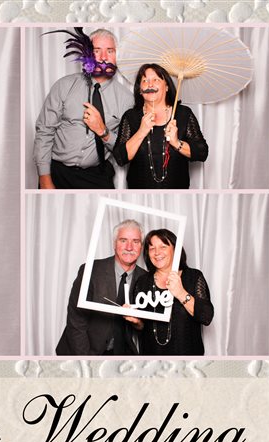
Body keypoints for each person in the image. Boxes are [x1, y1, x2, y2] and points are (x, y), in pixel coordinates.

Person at [34, 28, 133, 189]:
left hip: (97, 175)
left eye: (110, 51)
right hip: (58, 172)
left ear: (117, 56)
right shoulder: (64, 86)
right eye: (97, 51)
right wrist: (45, 178)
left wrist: (103, 131)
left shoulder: (127, 99)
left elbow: (126, 149)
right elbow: (45, 131)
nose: (103, 57)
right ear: (87, 53)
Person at [56, 219, 146, 355]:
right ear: (114, 244)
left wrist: (138, 323)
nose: (129, 247)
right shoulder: (91, 271)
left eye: (135, 241)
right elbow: (76, 321)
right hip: (83, 351)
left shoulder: (145, 278)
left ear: (141, 246)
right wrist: (87, 361)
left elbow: (146, 325)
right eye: (123, 240)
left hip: (121, 354)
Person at [113, 63, 209, 188]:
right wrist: (141, 132)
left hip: (177, 193)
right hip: (139, 193)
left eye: (156, 80)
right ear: (140, 90)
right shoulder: (131, 116)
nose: (150, 85)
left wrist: (176, 143)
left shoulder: (183, 114)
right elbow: (120, 158)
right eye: (145, 81)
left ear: (167, 87)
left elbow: (202, 153)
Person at [126, 229, 214, 355]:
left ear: (175, 250)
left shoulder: (193, 277)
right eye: (152, 248)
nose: (157, 252)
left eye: (163, 246)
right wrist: (136, 321)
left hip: (187, 359)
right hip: (151, 359)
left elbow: (206, 317)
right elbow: (143, 327)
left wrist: (181, 293)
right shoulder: (142, 282)